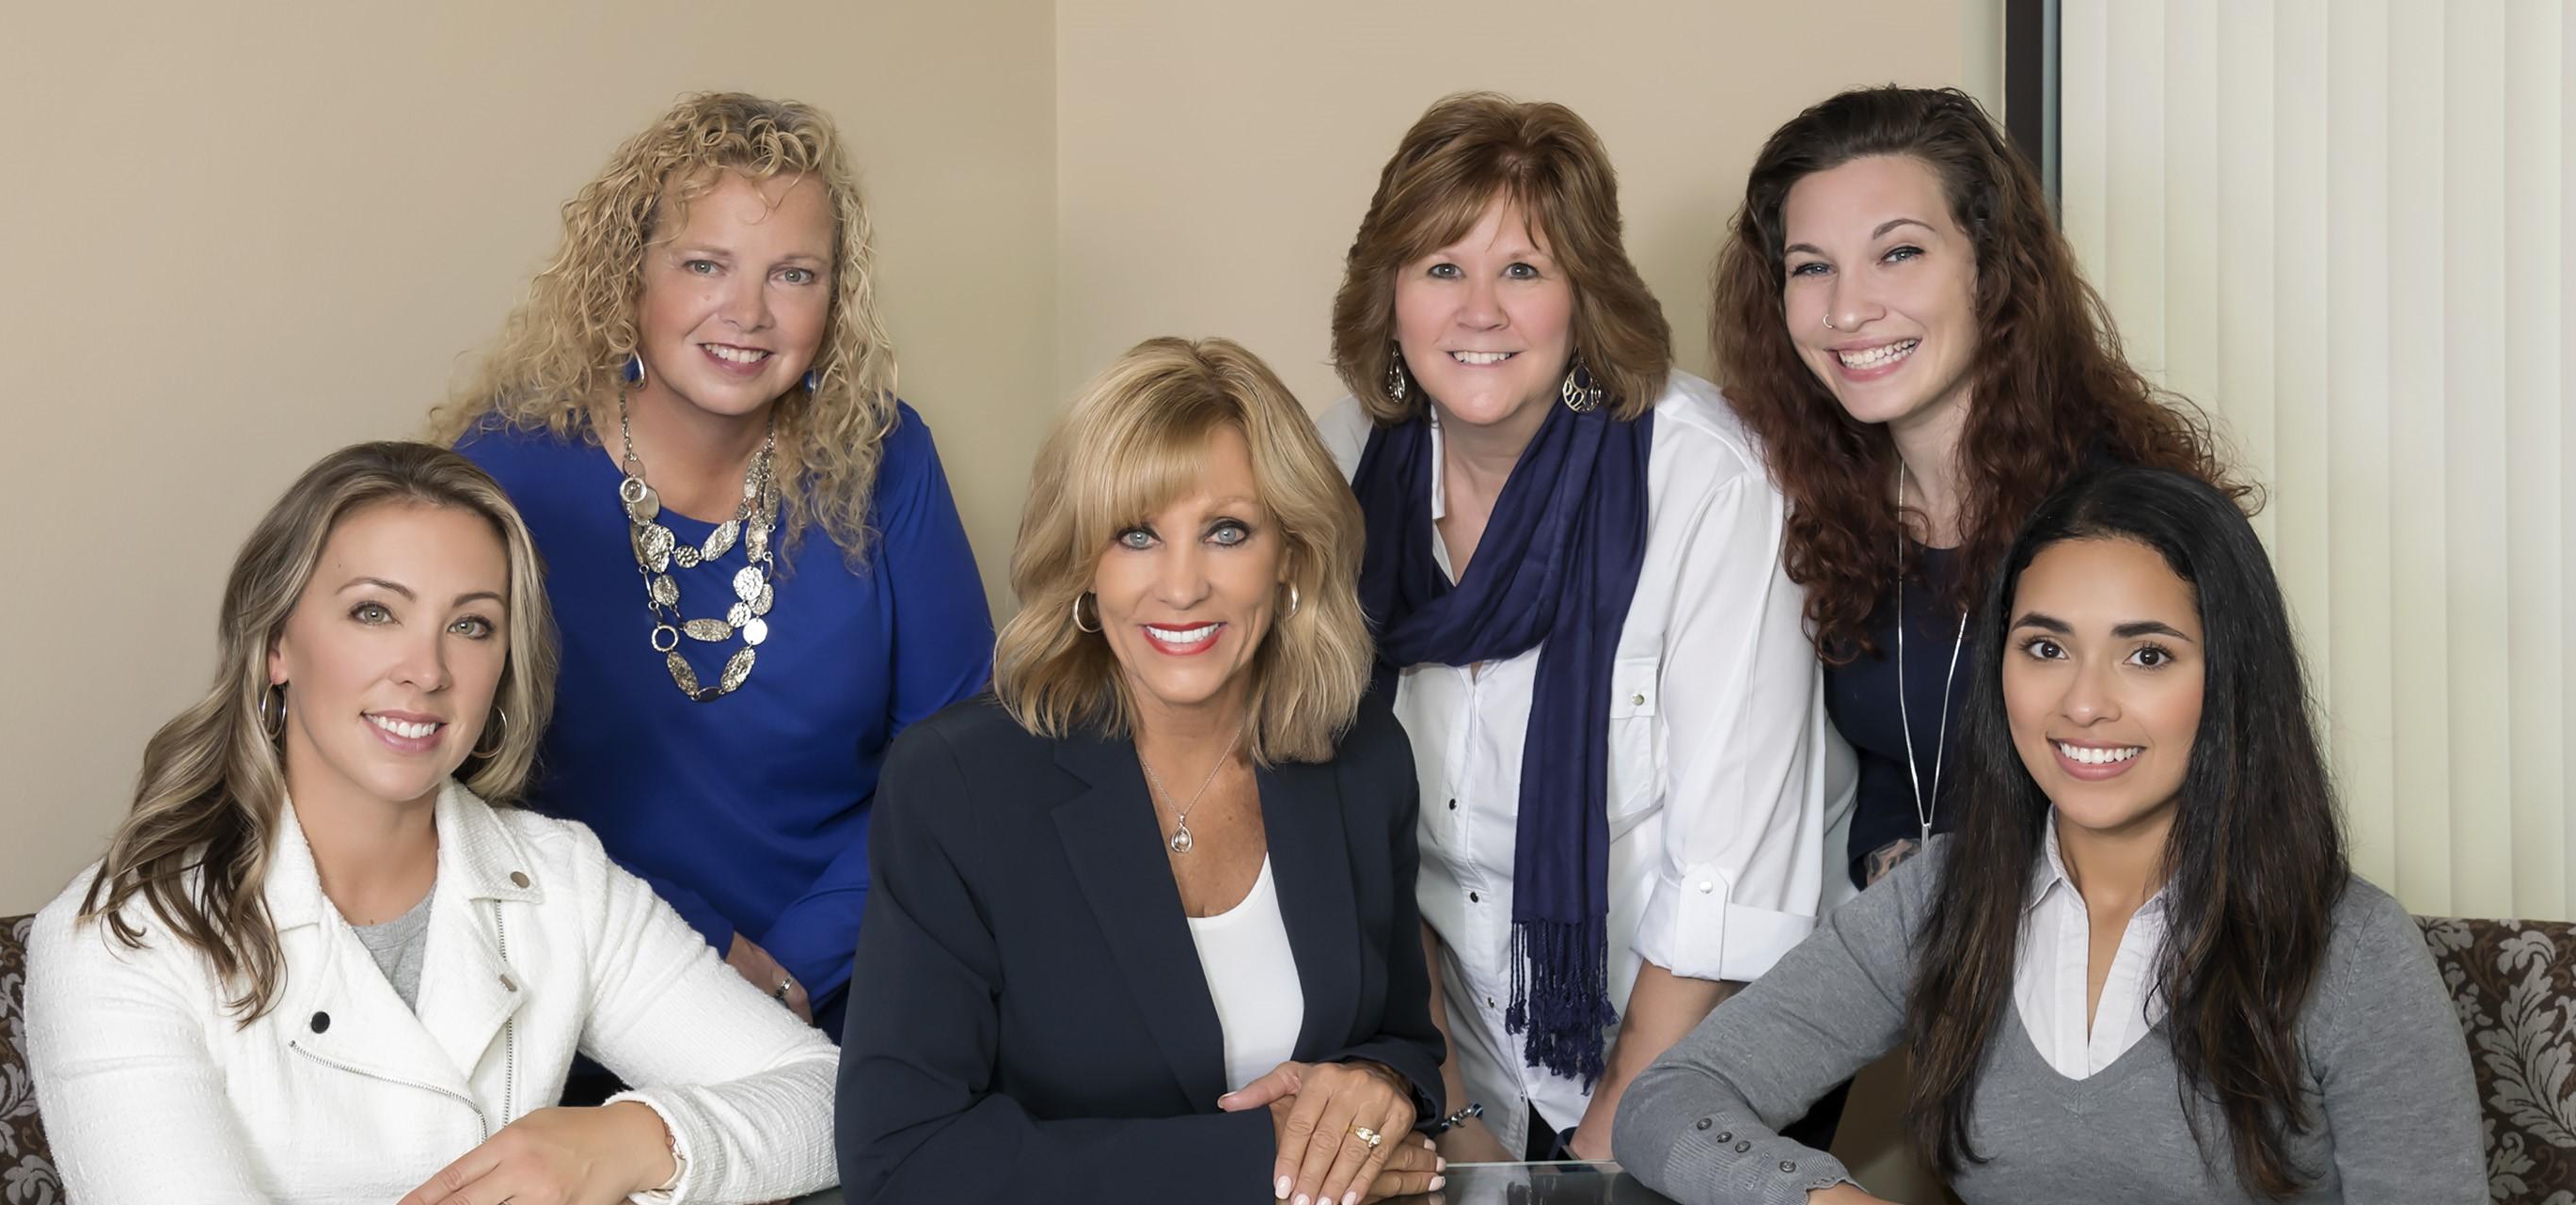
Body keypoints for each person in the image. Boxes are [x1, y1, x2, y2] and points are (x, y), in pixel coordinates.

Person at [1612, 467, 2485, 1205]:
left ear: (2228, 678)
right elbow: (1667, 1101)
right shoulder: (1943, 895)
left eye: (2146, 655)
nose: (2083, 702)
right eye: (2044, 647)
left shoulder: (2356, 951)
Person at [27, 442, 840, 1203]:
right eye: (375, 612)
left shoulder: (565, 880)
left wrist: (627, 1137)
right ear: (277, 644)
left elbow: (832, 1098)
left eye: (471, 624)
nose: (426, 670)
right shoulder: (115, 939)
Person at [1317, 92, 1851, 1163]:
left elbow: (1725, 881)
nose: (1480, 312)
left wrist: (1597, 1162)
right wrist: (1462, 1128)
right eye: (1440, 269)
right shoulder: (1342, 477)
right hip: (1455, 1031)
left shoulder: (1707, 481)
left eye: (1523, 270)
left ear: (1585, 296)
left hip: (1703, 1023)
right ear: (1389, 298)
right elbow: (1357, 829)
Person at [432, 92, 991, 1045]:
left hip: (869, 974)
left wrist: (796, 970)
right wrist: (701, 953)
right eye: (704, 264)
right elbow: (467, 786)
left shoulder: (889, 461)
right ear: (629, 278)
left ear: (835, 297)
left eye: (794, 275)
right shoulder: (503, 476)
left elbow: (962, 758)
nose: (749, 313)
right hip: (589, 992)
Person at [836, 338, 1446, 1205]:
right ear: (1086, 565)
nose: (1183, 585)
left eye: (1226, 531)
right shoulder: (956, 786)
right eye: (1137, 535)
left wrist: (1376, 1085)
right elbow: (901, 1157)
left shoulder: (1362, 753)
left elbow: (1398, 1032)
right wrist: (1256, 1160)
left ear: (1292, 557)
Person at [1713, 86, 2242, 889]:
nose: (1848, 310)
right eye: (1812, 267)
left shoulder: (2124, 517)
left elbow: (2206, 807)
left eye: (1899, 253)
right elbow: (1892, 770)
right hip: (1896, 951)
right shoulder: (1821, 504)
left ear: (1990, 267)